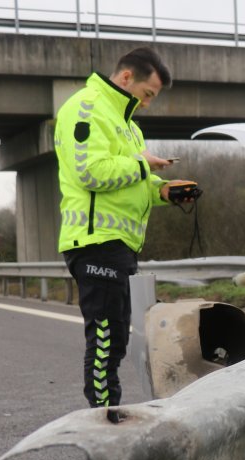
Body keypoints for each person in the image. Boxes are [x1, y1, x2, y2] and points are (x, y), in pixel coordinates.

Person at [54, 47, 196, 408]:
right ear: (127, 77)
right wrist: (140, 162)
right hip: (95, 242)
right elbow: (91, 172)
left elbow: (132, 179)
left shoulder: (130, 127)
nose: (148, 104)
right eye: (148, 94)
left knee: (115, 339)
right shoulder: (85, 107)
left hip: (121, 246)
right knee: (105, 339)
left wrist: (164, 190)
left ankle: (109, 416)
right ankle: (104, 422)